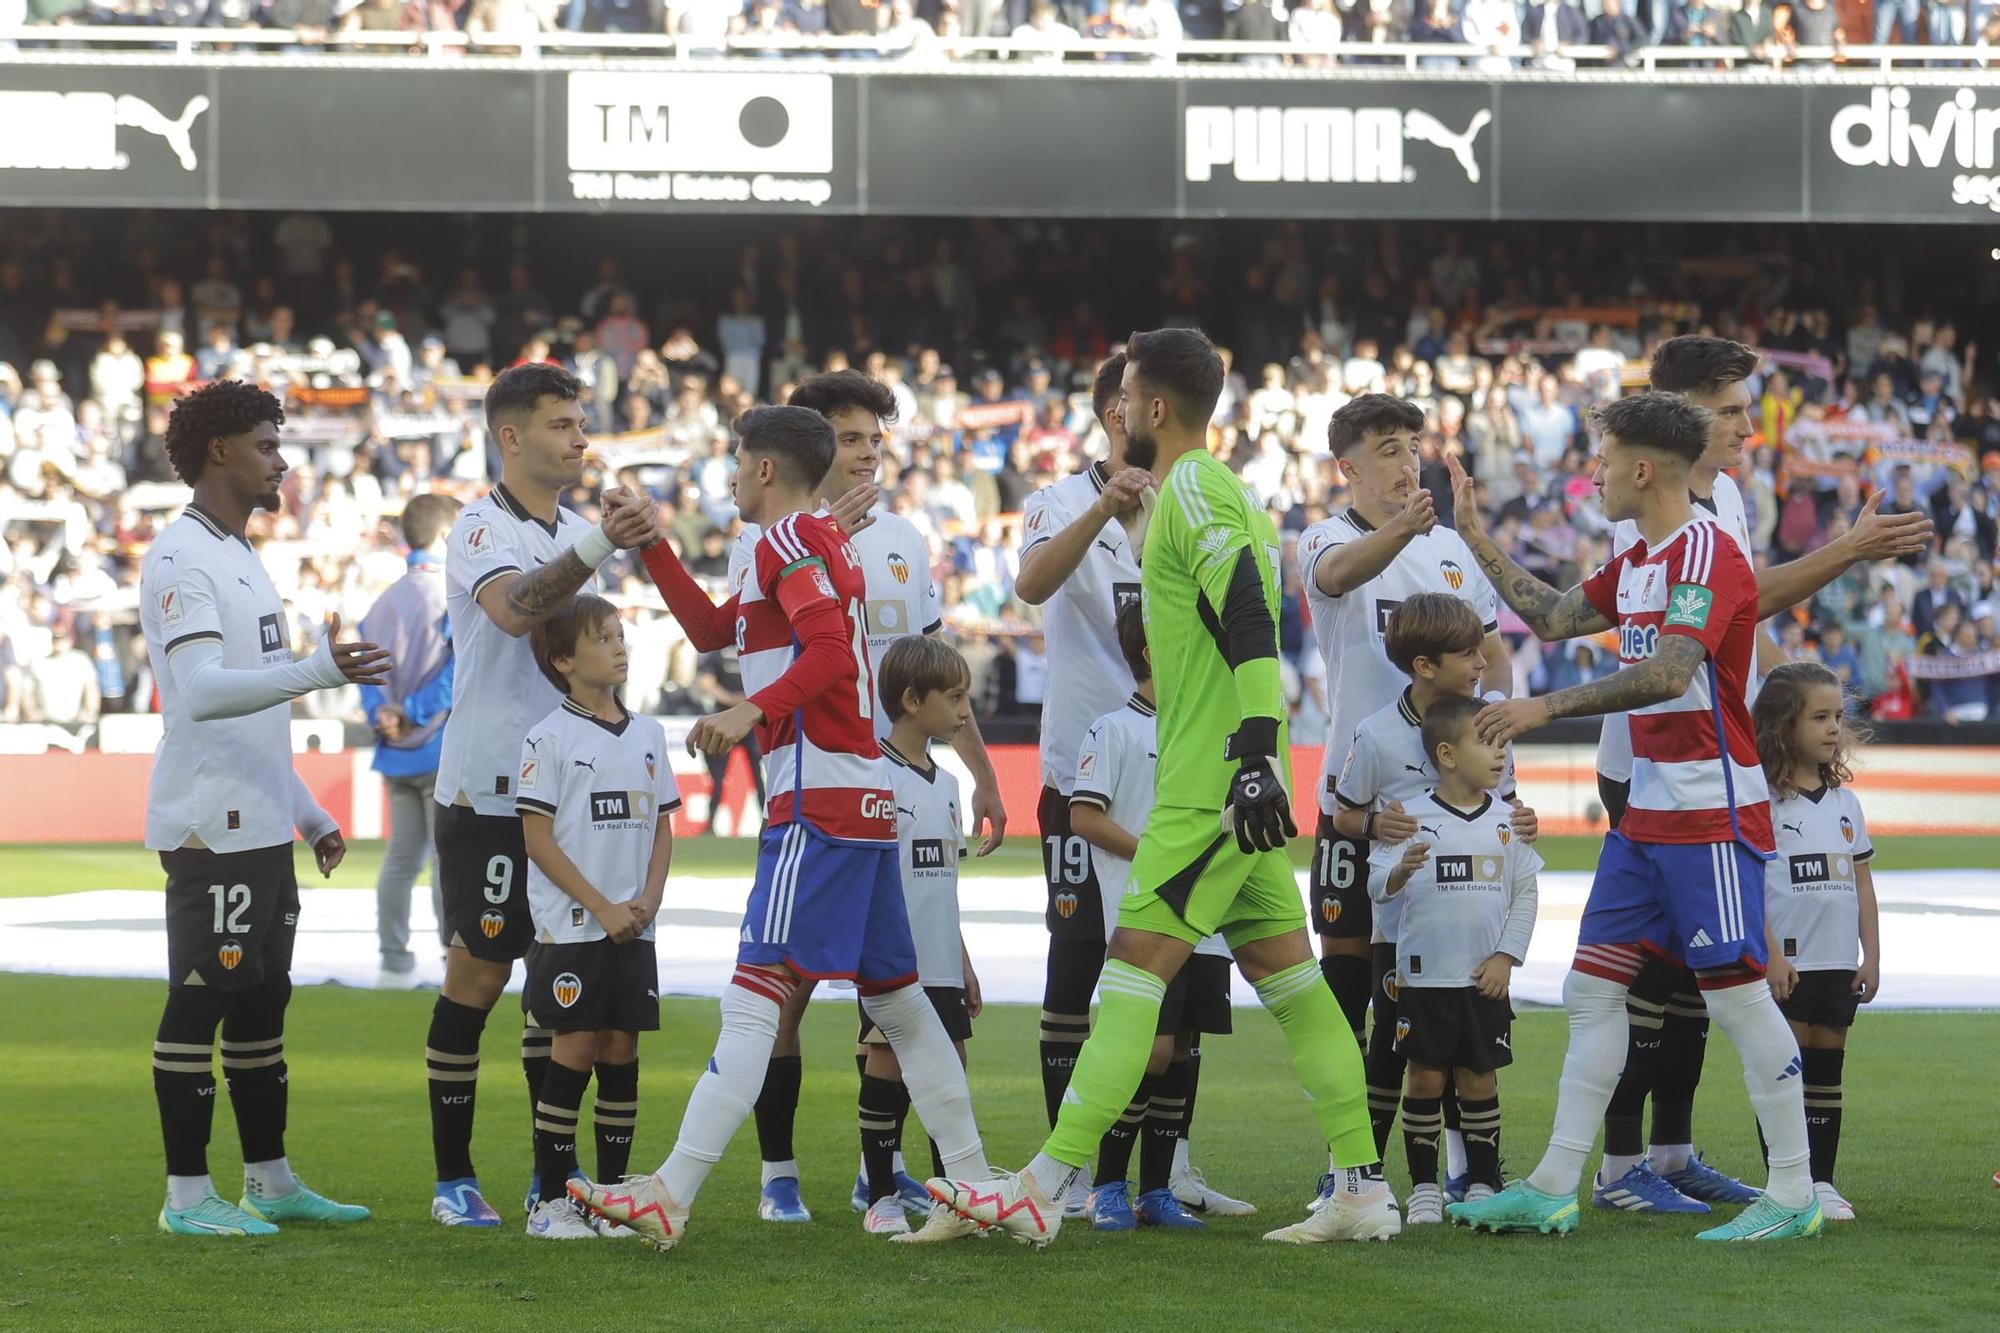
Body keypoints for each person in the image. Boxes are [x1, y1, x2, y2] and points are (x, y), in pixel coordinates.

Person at [930, 328, 1398, 1247]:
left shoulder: (1195, 484)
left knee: (1132, 973)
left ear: (1150, 408)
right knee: (1296, 983)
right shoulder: (1210, 495)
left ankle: (1042, 1183)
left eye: (1125, 398)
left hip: (1208, 790)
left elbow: (1251, 616)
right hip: (1226, 779)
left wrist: (1259, 754)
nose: (1117, 414)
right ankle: (1363, 1184)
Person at [572, 406, 992, 1252]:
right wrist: (652, 545)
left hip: (817, 802)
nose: (727, 476)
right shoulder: (811, 541)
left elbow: (832, 653)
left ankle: (672, 1188)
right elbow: (712, 628)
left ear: (764, 469)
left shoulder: (785, 542)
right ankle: (981, 1184)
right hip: (863, 799)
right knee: (905, 1007)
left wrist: (748, 709)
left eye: (735, 461)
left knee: (756, 990)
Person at [1445, 393, 1823, 1242]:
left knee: (1735, 998)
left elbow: (1667, 674)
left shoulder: (1707, 553)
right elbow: (1549, 613)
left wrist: (1544, 709)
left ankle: (1795, 1193)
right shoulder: (1645, 557)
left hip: (1710, 813)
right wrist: (1471, 531)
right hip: (1648, 816)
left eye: (1604, 459)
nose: (1595, 474)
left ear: (1642, 468)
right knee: (1592, 988)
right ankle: (1551, 1183)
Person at [1591, 338, 1929, 1216]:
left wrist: (1789, 704)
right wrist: (1847, 550)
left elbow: (1740, 625)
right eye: (1734, 408)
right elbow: (1743, 593)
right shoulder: (1640, 509)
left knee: (1710, 973)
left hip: (1719, 763)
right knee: (1652, 979)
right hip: (1654, 771)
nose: (1750, 424)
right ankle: (1621, 1163)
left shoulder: (1727, 495)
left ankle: (1670, 1151)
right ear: (1687, 413)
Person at [726, 371, 1006, 1225]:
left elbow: (932, 673)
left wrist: (981, 769)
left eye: (877, 442)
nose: (868, 457)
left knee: (909, 979)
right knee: (791, 985)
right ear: (812, 448)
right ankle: (779, 1171)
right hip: (819, 774)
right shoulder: (768, 540)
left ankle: (879, 1173)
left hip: (902, 783)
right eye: (851, 440)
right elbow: (761, 645)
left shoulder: (904, 541)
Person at [140, 380, 390, 1236]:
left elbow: (258, 717)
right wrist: (323, 671)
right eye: (266, 443)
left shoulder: (242, 554)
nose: (280, 459)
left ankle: (271, 1181)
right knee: (202, 998)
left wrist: (308, 811)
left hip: (259, 822)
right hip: (211, 823)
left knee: (260, 1004)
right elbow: (203, 693)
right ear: (220, 451)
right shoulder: (181, 558)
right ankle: (185, 1199)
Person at [426, 364, 660, 1229]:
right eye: (564, 424)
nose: (583, 438)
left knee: (555, 986)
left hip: (558, 801)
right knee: (478, 976)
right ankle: (453, 1179)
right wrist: (603, 544)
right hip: (488, 790)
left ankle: (550, 1181)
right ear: (511, 436)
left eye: (582, 423)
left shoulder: (564, 526)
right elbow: (517, 611)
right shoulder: (481, 528)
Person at [1298, 393, 1510, 1195]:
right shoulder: (1330, 537)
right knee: (1350, 995)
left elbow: (1494, 656)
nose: (1406, 459)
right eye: (1387, 448)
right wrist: (1409, 527)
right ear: (1347, 465)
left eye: (1412, 444)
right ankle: (1347, 1167)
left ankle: (1459, 1169)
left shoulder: (1451, 549)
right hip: (1358, 811)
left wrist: (1497, 734)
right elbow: (1337, 574)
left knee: (1443, 986)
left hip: (1450, 814)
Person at [1322, 593, 1534, 1202]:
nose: (1481, 661)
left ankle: (1473, 1172)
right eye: (1466, 653)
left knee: (1474, 1056)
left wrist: (1524, 822)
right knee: (1397, 1048)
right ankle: (1360, 1175)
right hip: (1403, 925)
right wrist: (1373, 829)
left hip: (1477, 927)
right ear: (1424, 665)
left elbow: (1507, 807)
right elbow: (1345, 813)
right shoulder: (1378, 734)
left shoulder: (1491, 720)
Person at [1012, 353, 1153, 1188]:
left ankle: (1166, 1168)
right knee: (1074, 972)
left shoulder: (1193, 500)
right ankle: (1067, 1164)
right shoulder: (1057, 500)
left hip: (1170, 769)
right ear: (1115, 414)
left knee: (1169, 968)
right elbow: (1030, 584)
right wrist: (1103, 506)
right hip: (1081, 771)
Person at [1072, 603, 1249, 1232]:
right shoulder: (1114, 730)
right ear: (1154, 652)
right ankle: (1106, 1185)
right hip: (1145, 919)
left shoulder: (1209, 730)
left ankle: (1157, 1188)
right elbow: (1084, 817)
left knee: (1184, 1052)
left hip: (1204, 924)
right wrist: (1162, 855)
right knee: (1149, 1051)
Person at [515, 595, 680, 1240]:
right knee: (575, 1051)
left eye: (619, 635)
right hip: (575, 927)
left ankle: (610, 1199)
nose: (619, 646)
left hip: (635, 924)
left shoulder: (647, 734)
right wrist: (602, 906)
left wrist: (650, 898)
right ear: (562, 660)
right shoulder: (547, 737)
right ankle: (551, 1201)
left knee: (621, 1050)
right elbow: (538, 839)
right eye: (602, 638)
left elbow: (662, 826)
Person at [1368, 693, 1540, 1225]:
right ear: (1446, 754)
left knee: (1480, 1080)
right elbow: (1377, 886)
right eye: (1487, 743)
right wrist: (1398, 873)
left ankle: (1483, 1182)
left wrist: (1506, 958)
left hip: (1483, 979)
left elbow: (1526, 892)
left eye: (1504, 744)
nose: (1500, 756)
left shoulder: (1509, 821)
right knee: (1423, 1079)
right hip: (1423, 979)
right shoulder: (1409, 817)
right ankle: (1423, 1187)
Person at [856, 635, 984, 1242]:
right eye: (955, 698)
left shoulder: (949, 785)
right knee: (886, 1064)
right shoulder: (875, 777)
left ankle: (950, 1198)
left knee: (949, 1068)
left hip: (939, 960)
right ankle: (880, 1195)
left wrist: (962, 962)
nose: (965, 711)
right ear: (912, 700)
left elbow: (943, 886)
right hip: (890, 961)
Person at [1755, 661, 1880, 1225]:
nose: (1834, 729)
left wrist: (1871, 955)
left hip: (1837, 962)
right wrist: (1771, 955)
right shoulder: (1764, 801)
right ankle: (1787, 1180)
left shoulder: (1845, 804)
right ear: (1784, 726)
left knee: (1828, 1074)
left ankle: (1823, 1181)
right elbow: (1750, 884)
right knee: (1786, 1070)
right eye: (1820, 717)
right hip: (1790, 964)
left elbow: (1862, 883)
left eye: (1839, 717)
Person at [359, 492, 460, 988]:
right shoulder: (452, 595)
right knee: (446, 861)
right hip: (439, 744)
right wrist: (411, 711)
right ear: (444, 536)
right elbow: (455, 673)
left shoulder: (382, 601)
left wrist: (382, 714)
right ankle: (451, 961)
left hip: (394, 749)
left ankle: (393, 960)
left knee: (401, 859)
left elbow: (362, 669)